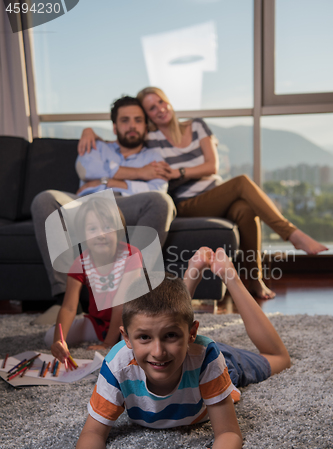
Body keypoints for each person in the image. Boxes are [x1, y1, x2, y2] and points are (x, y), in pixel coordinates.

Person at [75, 247, 290, 449]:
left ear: (192, 333)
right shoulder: (117, 365)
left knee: (280, 359)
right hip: (184, 350)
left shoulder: (208, 358)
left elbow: (229, 432)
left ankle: (230, 275)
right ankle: (192, 274)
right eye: (144, 337)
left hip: (209, 365)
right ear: (126, 339)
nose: (157, 351)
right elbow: (91, 433)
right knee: (168, 319)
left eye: (170, 336)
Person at [79, 88, 328, 300]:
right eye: (151, 109)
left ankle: (255, 280)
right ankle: (291, 234)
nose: (159, 110)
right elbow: (123, 140)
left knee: (245, 209)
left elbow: (212, 166)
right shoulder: (152, 139)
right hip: (187, 202)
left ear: (169, 103)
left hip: (215, 194)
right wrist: (90, 131)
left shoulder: (196, 126)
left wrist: (179, 171)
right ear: (149, 118)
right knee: (241, 182)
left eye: (161, 102)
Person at [31, 96, 176, 325]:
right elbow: (87, 171)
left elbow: (157, 187)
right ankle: (65, 301)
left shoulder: (154, 157)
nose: (132, 125)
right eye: (125, 120)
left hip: (126, 206)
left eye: (138, 120)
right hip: (87, 206)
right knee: (44, 199)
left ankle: (133, 297)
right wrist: (139, 173)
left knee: (162, 201)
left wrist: (105, 179)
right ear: (115, 126)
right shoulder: (96, 146)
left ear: (145, 125)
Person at [44, 197, 143, 358]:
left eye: (107, 227)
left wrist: (107, 344)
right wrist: (58, 342)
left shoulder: (132, 255)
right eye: (92, 229)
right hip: (98, 323)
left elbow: (121, 305)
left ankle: (114, 340)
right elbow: (69, 308)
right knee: (50, 337)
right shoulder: (80, 263)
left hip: (128, 321)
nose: (101, 235)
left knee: (138, 341)